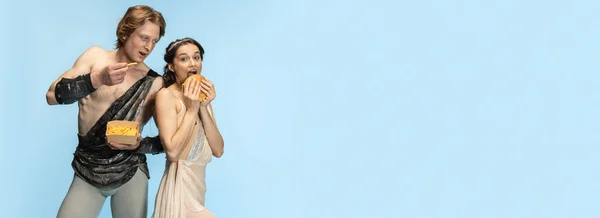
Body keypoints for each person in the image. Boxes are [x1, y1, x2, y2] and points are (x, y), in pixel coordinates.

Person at [45, 5, 167, 218]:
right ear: (126, 31)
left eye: (155, 41)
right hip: (87, 169)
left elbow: (166, 142)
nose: (149, 47)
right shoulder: (95, 57)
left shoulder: (154, 82)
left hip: (131, 171)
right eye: (144, 37)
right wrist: (97, 79)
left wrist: (140, 144)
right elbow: (52, 96)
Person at [152, 37, 224, 218]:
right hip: (179, 189)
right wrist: (192, 110)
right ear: (172, 66)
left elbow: (218, 150)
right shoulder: (166, 96)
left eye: (196, 57)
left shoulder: (202, 97)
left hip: (198, 188)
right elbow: (173, 153)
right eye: (184, 59)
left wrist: (204, 107)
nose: (192, 64)